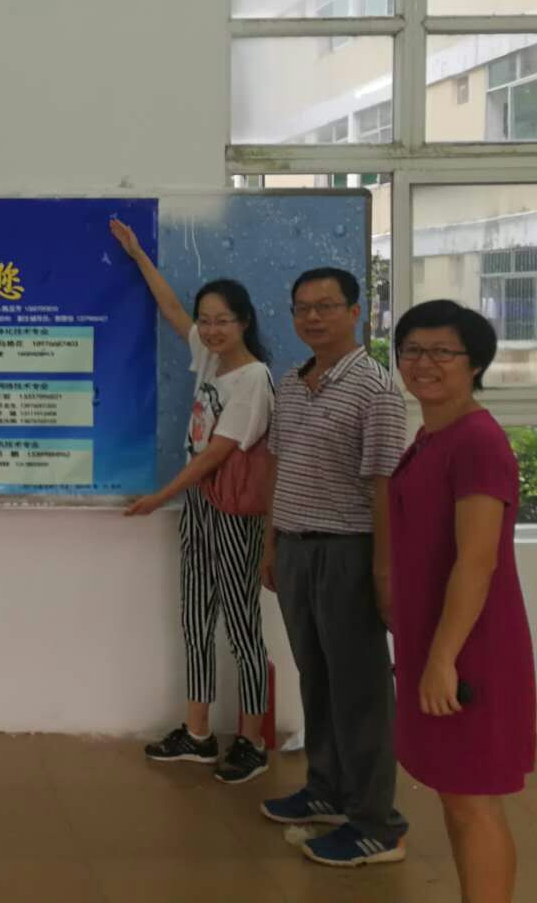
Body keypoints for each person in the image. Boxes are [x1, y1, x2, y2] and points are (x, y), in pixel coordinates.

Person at [110, 219, 275, 784]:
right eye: (206, 320)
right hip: (200, 506)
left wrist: (160, 496)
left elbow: (217, 453)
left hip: (231, 511)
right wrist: (137, 255)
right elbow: (172, 309)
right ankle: (198, 733)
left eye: (222, 320)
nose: (210, 329)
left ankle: (252, 740)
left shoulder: (254, 379)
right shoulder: (209, 358)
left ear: (244, 321)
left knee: (242, 625)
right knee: (195, 619)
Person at [258, 267, 409, 867]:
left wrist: (383, 573)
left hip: (349, 552)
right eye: (302, 308)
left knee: (360, 691)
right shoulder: (292, 383)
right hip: (295, 548)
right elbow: (276, 466)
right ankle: (326, 790)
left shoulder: (376, 389)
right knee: (316, 677)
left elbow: (386, 487)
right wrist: (271, 544)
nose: (313, 317)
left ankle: (376, 824)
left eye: (326, 306)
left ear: (355, 312)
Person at [387, 300, 535, 902]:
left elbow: (478, 560)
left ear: (474, 363)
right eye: (412, 350)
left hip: (471, 648)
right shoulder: (433, 435)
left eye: (442, 352)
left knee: (474, 801)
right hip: (437, 639)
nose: (423, 363)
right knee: (455, 793)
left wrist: (444, 657)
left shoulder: (477, 442)